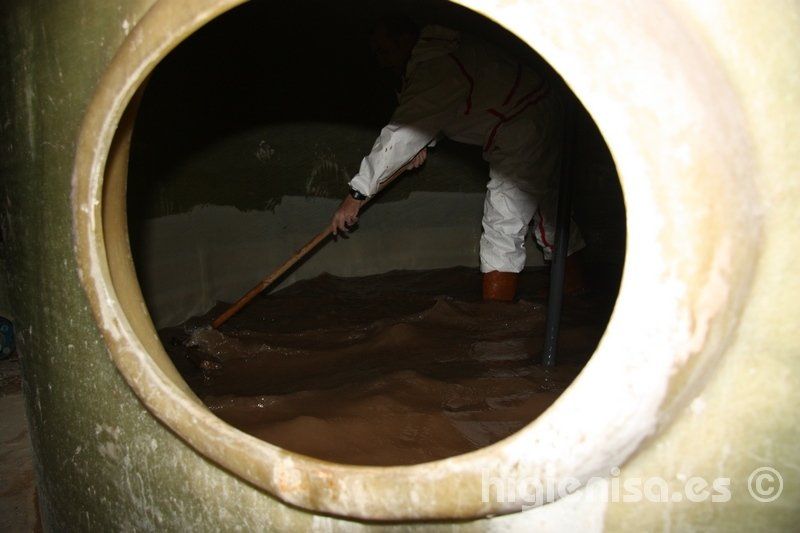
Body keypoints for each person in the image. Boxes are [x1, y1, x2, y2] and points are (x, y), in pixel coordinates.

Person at [330, 17, 584, 301]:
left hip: (524, 124)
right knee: (548, 209)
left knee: (503, 221)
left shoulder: (436, 65)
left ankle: (495, 324)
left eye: (384, 49)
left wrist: (356, 194)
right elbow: (449, 107)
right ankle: (573, 286)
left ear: (404, 40)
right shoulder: (441, 52)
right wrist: (424, 140)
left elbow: (400, 133)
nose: (381, 59)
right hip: (535, 112)